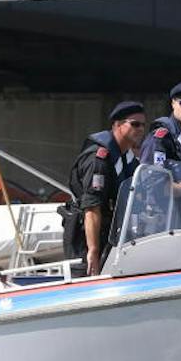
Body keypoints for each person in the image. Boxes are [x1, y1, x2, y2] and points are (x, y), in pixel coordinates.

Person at [64, 101, 147, 276]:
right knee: (87, 283)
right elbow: (92, 206)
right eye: (135, 124)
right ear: (117, 125)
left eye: (143, 125)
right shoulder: (99, 159)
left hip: (111, 233)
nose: (140, 129)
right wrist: (93, 250)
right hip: (87, 237)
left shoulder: (127, 158)